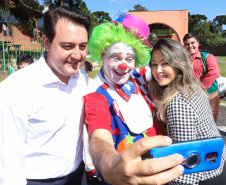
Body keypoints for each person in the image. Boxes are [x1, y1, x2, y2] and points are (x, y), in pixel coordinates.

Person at [84, 13, 184, 185]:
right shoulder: (96, 95)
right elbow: (99, 137)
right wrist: (108, 164)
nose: (124, 65)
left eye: (129, 59)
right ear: (102, 55)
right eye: (116, 57)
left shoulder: (139, 76)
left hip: (164, 167)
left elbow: (168, 68)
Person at [0, 6, 90, 185]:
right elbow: (9, 157)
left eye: (83, 46)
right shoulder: (16, 88)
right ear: (46, 42)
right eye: (67, 46)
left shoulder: (81, 77)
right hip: (37, 181)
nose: (78, 55)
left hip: (79, 175)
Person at [148, 38, 226, 185]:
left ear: (178, 64)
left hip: (203, 177)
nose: (158, 70)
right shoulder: (190, 86)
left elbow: (186, 162)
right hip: (216, 166)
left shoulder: (178, 102)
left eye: (165, 63)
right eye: (154, 64)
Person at [183, 33, 220, 123]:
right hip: (191, 99)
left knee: (211, 124)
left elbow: (214, 72)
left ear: (197, 43)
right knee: (195, 123)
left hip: (210, 97)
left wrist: (198, 89)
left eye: (192, 43)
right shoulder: (183, 60)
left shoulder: (207, 56)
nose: (190, 46)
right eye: (187, 44)